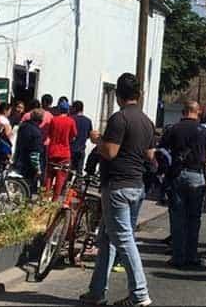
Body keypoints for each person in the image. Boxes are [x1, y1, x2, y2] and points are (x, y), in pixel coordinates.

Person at [81, 73, 155, 306]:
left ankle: (139, 293)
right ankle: (96, 291)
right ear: (139, 95)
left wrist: (97, 140)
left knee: (123, 240)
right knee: (107, 239)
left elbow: (110, 152)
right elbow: (150, 155)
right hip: (136, 185)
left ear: (118, 96)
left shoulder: (119, 119)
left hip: (117, 186)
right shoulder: (147, 121)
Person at [158, 101, 206, 268]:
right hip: (197, 175)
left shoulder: (173, 129)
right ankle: (192, 256)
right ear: (198, 111)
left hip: (177, 174)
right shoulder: (204, 131)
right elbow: (205, 152)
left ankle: (178, 256)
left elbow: (162, 150)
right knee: (194, 218)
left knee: (177, 217)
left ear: (184, 111)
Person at [45, 100, 77, 201]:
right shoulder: (71, 121)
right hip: (64, 153)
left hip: (52, 151)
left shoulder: (54, 120)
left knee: (49, 175)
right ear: (68, 110)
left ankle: (46, 197)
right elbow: (74, 135)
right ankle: (55, 199)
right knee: (61, 178)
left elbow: (49, 134)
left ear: (59, 109)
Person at [13, 108, 44, 194]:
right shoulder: (36, 133)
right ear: (40, 120)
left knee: (19, 189)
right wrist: (38, 169)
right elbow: (35, 153)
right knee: (28, 190)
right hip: (29, 167)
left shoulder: (23, 127)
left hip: (19, 160)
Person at [71, 100, 94, 175]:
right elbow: (89, 135)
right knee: (79, 172)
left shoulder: (71, 119)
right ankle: (78, 182)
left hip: (71, 149)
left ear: (74, 108)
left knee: (68, 172)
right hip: (81, 149)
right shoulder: (88, 121)